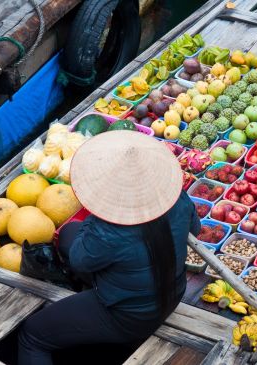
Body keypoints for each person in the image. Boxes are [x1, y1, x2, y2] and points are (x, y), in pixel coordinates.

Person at [18, 131, 201, 365]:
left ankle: (99, 320)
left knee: (32, 334)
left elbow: (80, 261)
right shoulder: (176, 197)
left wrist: (96, 219)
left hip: (130, 315)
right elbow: (193, 229)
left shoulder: (108, 230)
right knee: (68, 234)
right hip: (173, 292)